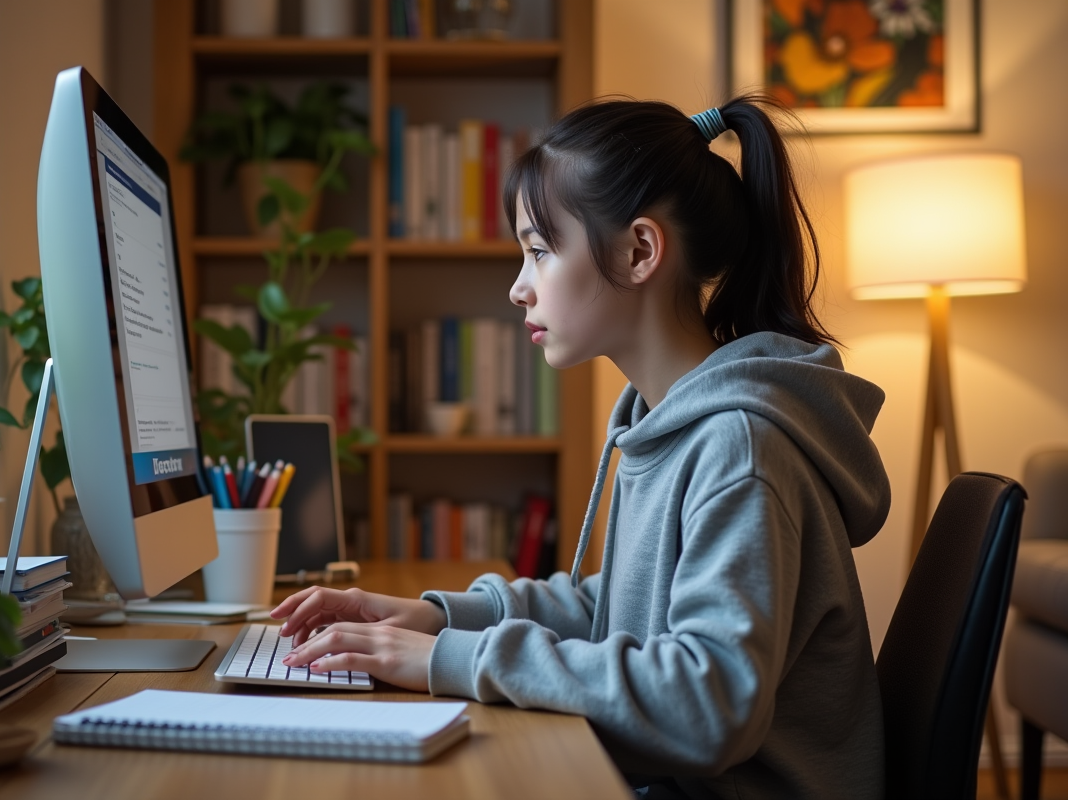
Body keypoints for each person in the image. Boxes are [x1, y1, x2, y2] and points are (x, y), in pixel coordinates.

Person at [271, 95, 890, 799]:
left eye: (539, 251)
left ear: (639, 251)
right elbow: (617, 607)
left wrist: (450, 658)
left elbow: (709, 705)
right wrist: (439, 619)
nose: (518, 288)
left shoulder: (740, 450)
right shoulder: (665, 421)